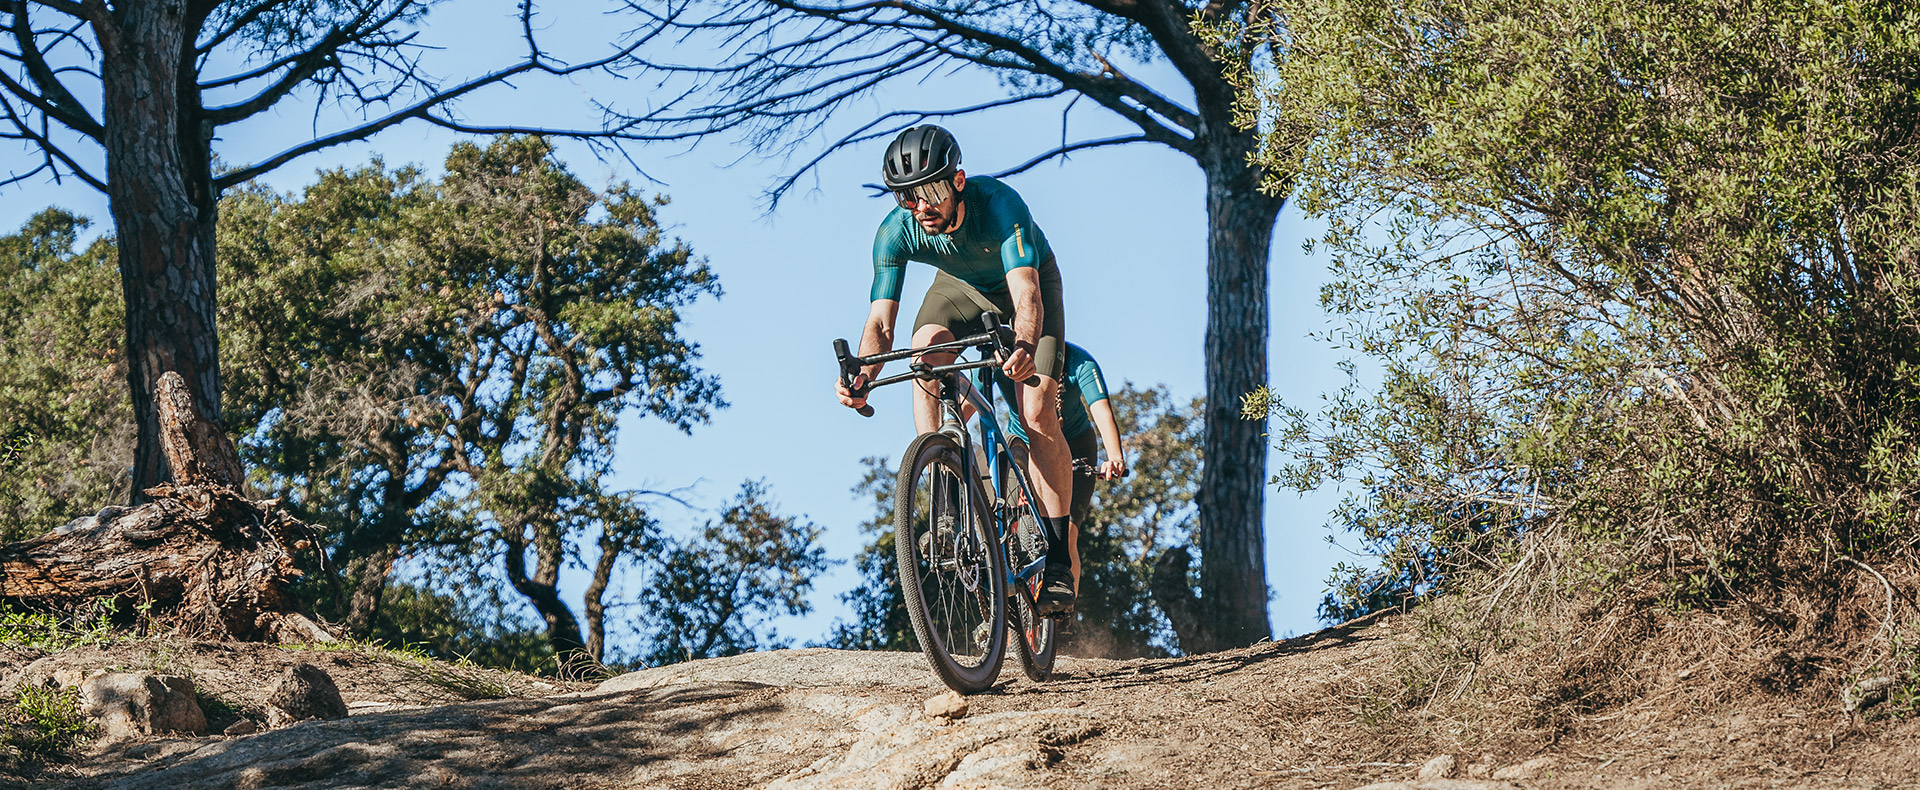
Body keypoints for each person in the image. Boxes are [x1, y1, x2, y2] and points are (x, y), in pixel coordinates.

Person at [834, 124, 1080, 615]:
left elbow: (1028, 296)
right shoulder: (895, 231)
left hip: (1025, 289)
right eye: (907, 197)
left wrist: (1026, 343)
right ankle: (944, 484)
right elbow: (881, 324)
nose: (920, 207)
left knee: (1035, 412)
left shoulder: (1001, 206)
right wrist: (863, 376)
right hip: (962, 288)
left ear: (958, 181)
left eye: (929, 192)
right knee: (923, 349)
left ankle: (1056, 559)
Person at [971, 342, 1126, 597]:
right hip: (1023, 445)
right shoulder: (1003, 356)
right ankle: (1005, 609)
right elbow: (967, 405)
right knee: (1008, 526)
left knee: (1066, 536)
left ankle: (1063, 611)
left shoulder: (1079, 362)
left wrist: (1115, 457)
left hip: (1075, 447)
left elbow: (1102, 412)